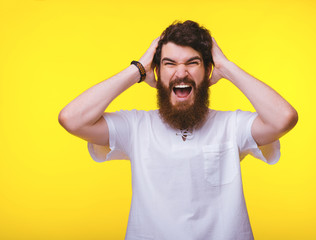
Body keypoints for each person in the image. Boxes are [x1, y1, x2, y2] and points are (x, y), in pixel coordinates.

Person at [59, 20, 298, 240]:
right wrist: (138, 69)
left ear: (207, 71)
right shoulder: (136, 127)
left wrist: (226, 67)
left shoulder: (232, 126)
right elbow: (72, 119)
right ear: (157, 72)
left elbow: (283, 118)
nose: (181, 72)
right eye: (169, 63)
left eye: (192, 63)